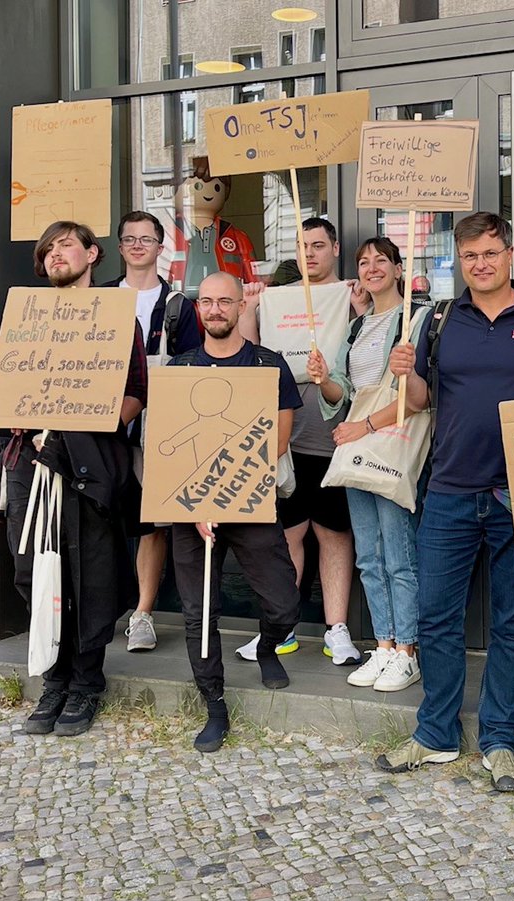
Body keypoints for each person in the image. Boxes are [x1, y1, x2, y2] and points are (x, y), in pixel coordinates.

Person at [378, 211, 514, 791]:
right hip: (447, 489)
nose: (481, 264)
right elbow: (420, 398)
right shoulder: (439, 319)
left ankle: (499, 740)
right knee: (436, 617)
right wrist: (404, 375)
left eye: (491, 253)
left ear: (510, 253)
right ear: (459, 261)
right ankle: (437, 734)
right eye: (470, 257)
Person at [4, 220, 147, 737]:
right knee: (33, 571)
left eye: (65, 244)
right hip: (31, 458)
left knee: (90, 572)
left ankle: (86, 682)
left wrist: (107, 416)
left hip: (90, 460)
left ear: (92, 254)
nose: (54, 255)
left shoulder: (116, 317)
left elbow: (136, 389)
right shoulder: (25, 317)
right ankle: (54, 676)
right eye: (46, 251)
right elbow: (7, 383)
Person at [167, 272, 304, 753]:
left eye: (224, 301)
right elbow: (168, 448)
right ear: (197, 308)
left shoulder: (269, 364)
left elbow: (278, 440)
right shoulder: (179, 368)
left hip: (251, 500)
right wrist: (198, 503)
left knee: (284, 602)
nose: (215, 309)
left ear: (241, 303)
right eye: (206, 302)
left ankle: (268, 645)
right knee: (198, 612)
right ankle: (214, 704)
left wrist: (225, 490)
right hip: (193, 511)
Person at [234, 217, 363, 668]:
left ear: (334, 250)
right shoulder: (276, 300)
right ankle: (281, 628)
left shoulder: (349, 298)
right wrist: (250, 308)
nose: (309, 254)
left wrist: (359, 305)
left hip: (334, 438)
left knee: (334, 535)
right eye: (301, 246)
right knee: (288, 534)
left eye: (318, 245)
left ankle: (337, 631)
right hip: (286, 440)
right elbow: (251, 359)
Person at [308, 237, 430, 692]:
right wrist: (323, 380)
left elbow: (417, 399)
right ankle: (383, 644)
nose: (373, 267)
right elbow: (341, 393)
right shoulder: (357, 327)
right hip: (359, 449)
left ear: (399, 269)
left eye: (382, 260)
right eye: (364, 262)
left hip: (386, 445)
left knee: (399, 555)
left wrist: (364, 427)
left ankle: (408, 651)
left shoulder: (416, 321)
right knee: (369, 557)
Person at [107, 211, 202, 654]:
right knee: (99, 519)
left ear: (161, 247)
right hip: (100, 426)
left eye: (147, 239)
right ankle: (100, 607)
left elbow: (189, 368)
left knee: (152, 524)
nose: (138, 246)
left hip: (156, 427)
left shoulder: (179, 305)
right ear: (121, 247)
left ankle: (142, 613)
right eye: (130, 239)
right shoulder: (98, 297)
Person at [161, 156, 257, 299]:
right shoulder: (167, 235)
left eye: (217, 187)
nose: (207, 192)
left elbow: (253, 275)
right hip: (181, 306)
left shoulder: (236, 237)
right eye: (197, 186)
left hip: (226, 306)